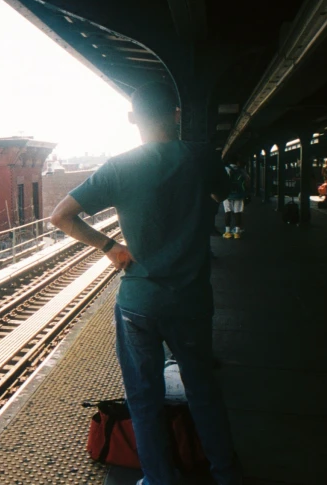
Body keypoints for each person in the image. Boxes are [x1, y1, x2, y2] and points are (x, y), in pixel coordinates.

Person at [51, 81, 241, 485]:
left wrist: (110, 246)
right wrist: (194, 218)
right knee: (203, 389)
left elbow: (61, 217)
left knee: (143, 395)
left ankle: (159, 479)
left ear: (133, 119)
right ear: (175, 114)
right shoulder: (200, 156)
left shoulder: (118, 167)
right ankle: (225, 474)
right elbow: (224, 193)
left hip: (139, 302)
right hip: (191, 298)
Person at [222, 156, 250, 239]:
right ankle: (237, 233)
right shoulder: (241, 170)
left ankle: (227, 232)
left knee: (227, 212)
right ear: (237, 162)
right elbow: (248, 180)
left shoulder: (226, 169)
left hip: (227, 194)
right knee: (238, 213)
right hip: (239, 194)